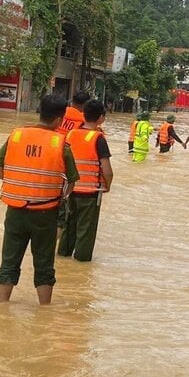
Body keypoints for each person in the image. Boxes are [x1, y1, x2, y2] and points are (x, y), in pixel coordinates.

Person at [0, 94, 79, 305]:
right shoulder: (61, 144)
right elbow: (71, 184)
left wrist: (21, 183)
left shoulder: (16, 136)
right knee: (44, 266)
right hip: (45, 214)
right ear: (59, 119)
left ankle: (2, 308)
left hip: (15, 211)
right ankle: (44, 311)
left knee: (9, 262)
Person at [57, 99, 113, 262]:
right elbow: (107, 170)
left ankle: (62, 258)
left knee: (69, 226)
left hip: (69, 190)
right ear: (101, 117)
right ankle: (81, 263)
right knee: (86, 232)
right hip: (90, 194)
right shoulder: (98, 138)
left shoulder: (71, 134)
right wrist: (107, 186)